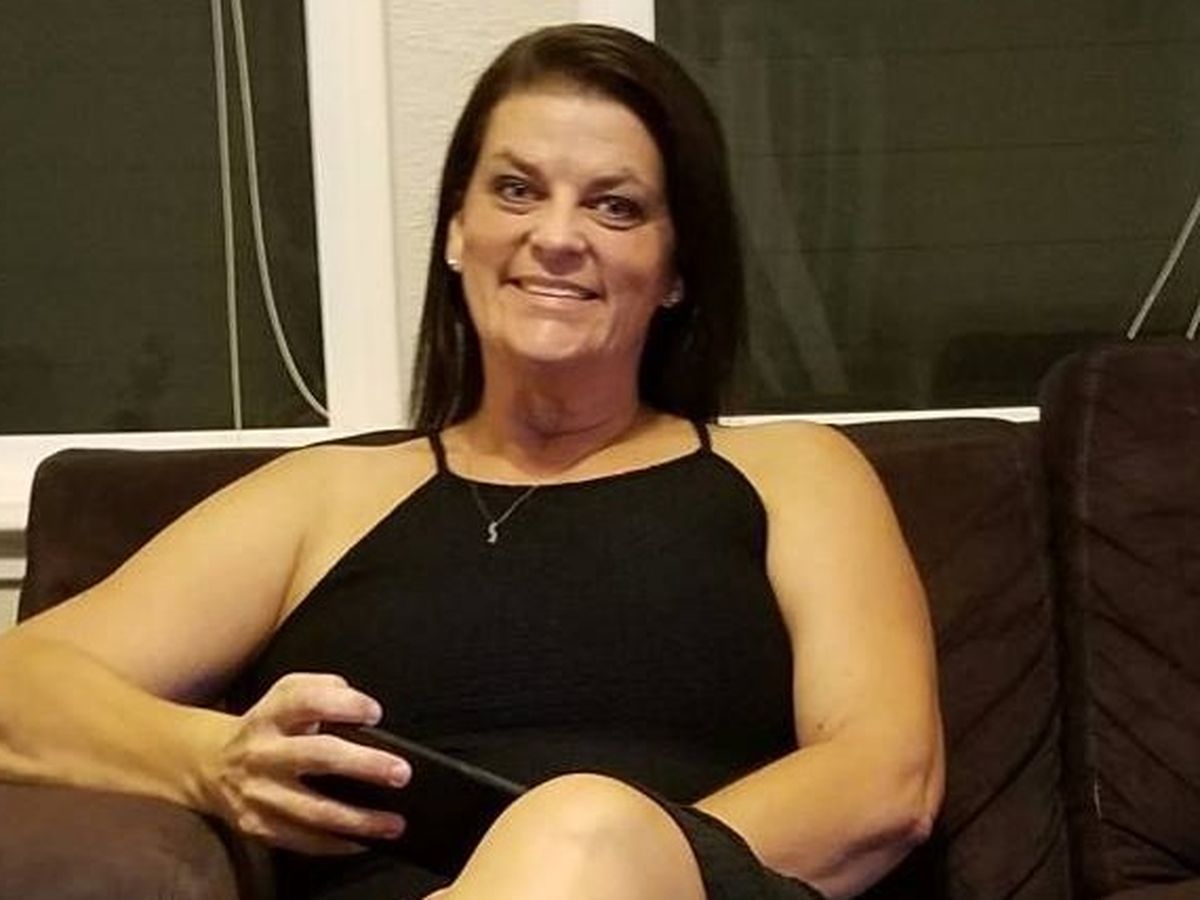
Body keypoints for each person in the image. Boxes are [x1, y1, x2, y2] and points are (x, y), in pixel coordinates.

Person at [0, 23, 942, 900]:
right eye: (517, 190)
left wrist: (605, 860)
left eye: (615, 206)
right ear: (457, 231)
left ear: (677, 270)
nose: (557, 237)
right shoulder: (326, 495)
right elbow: (19, 686)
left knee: (580, 823)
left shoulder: (792, 474)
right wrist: (211, 760)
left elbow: (884, 780)